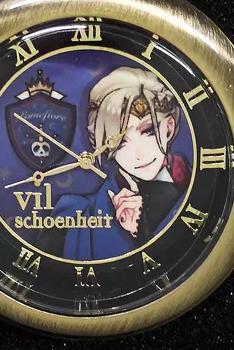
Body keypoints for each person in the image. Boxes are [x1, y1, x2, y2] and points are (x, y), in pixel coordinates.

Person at [36, 66, 191, 260]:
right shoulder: (72, 218)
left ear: (169, 127)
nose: (139, 155)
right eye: (120, 143)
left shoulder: (200, 185)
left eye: (148, 131)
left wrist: (139, 234)